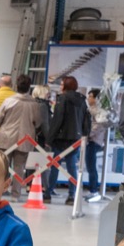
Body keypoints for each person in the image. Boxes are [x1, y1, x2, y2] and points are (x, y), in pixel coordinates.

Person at [0, 75, 47, 195]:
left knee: (3, 166)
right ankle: (16, 192)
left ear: (16, 86)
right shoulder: (34, 104)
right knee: (19, 166)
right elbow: (38, 122)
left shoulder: (9, 101)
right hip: (25, 139)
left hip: (5, 138)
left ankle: (2, 190)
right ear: (29, 87)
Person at [43, 76, 92, 204]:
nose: (60, 86)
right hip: (75, 139)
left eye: (62, 84)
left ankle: (48, 194)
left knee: (55, 166)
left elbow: (57, 120)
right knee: (72, 167)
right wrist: (85, 135)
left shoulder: (62, 99)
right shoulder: (82, 100)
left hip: (60, 138)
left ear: (66, 86)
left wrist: (49, 138)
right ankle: (72, 195)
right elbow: (86, 119)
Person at [84, 88, 110, 198]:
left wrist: (88, 134)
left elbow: (98, 126)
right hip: (90, 140)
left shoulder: (98, 111)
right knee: (90, 166)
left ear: (96, 98)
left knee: (91, 166)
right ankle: (93, 189)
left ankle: (93, 190)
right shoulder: (91, 109)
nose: (88, 98)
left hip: (94, 141)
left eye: (90, 96)